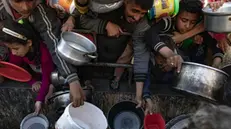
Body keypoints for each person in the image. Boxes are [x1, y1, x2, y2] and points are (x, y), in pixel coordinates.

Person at [0, 0, 85, 107]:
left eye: (30, 0)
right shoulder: (2, 11)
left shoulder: (41, 12)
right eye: (17, 1)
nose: (26, 7)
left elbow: (54, 43)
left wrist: (72, 78)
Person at [78, 0, 154, 112]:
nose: (137, 17)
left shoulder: (142, 23)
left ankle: (115, 79)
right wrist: (105, 25)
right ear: (125, 2)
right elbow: (83, 20)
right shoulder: (106, 6)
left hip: (116, 63)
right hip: (90, 59)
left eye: (142, 13)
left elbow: (141, 53)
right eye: (134, 11)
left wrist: (139, 95)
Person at [0, 19, 54, 114]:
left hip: (48, 73)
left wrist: (39, 100)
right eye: (10, 49)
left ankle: (51, 87)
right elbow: (17, 71)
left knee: (50, 81)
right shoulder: (16, 53)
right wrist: (32, 81)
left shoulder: (44, 54)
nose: (13, 52)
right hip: (35, 74)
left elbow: (46, 77)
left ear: (29, 43)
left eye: (16, 48)